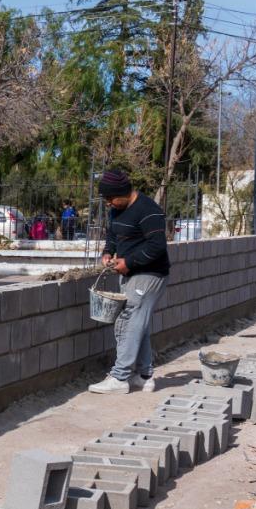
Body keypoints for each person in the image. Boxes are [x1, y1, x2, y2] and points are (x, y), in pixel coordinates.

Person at [88, 169, 171, 395]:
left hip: (150, 274)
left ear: (123, 192)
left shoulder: (148, 211)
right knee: (138, 324)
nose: (108, 204)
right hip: (131, 274)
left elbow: (157, 246)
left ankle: (119, 377)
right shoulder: (117, 210)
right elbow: (113, 235)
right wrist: (108, 251)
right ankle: (144, 376)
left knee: (127, 319)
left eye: (111, 198)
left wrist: (129, 262)